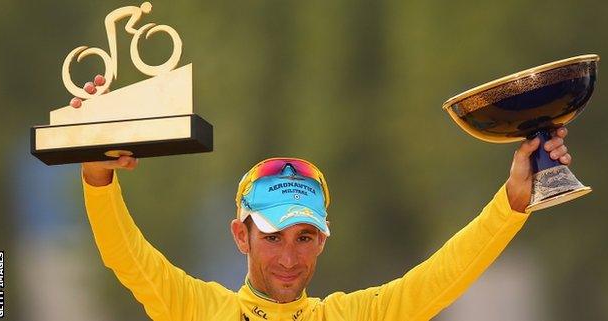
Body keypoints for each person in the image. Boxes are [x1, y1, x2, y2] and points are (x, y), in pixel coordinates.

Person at [77, 76, 573, 321]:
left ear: (323, 240)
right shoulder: (199, 309)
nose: (290, 258)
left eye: (305, 236)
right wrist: (98, 175)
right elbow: (127, 257)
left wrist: (511, 203)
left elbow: (442, 277)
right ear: (241, 236)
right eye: (272, 237)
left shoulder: (353, 315)